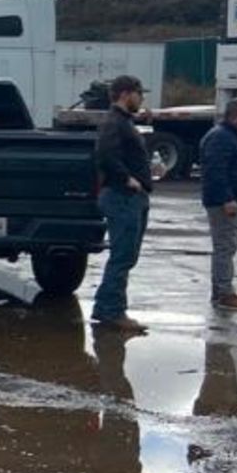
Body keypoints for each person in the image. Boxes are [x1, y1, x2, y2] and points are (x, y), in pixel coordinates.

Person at [91, 74, 153, 333]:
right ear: (126, 94)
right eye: (139, 94)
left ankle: (106, 307)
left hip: (131, 198)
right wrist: (128, 179)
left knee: (126, 256)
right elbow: (105, 155)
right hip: (121, 197)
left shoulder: (124, 122)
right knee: (122, 255)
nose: (141, 99)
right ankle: (112, 311)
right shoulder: (114, 122)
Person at [198, 97, 237, 310]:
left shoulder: (236, 137)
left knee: (228, 249)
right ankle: (223, 293)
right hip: (227, 206)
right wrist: (226, 198)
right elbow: (215, 172)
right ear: (234, 117)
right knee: (224, 249)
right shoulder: (221, 138)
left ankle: (223, 289)